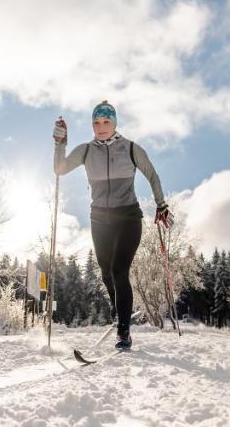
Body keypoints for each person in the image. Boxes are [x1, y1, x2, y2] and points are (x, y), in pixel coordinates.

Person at [53, 100, 171, 350]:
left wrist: (161, 205)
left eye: (106, 122)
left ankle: (123, 331)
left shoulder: (130, 148)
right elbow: (60, 169)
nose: (101, 127)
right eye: (96, 122)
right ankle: (121, 313)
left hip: (128, 217)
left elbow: (152, 174)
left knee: (119, 271)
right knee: (106, 272)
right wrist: (60, 143)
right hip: (99, 219)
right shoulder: (86, 151)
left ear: (115, 123)